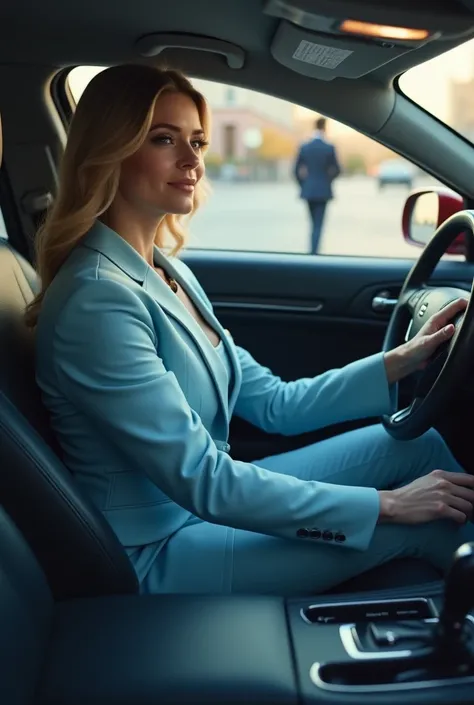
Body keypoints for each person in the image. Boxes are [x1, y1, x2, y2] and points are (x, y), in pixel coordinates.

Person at [27, 64, 474, 596]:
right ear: (110, 150)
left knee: (413, 445)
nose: (193, 159)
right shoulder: (97, 302)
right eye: (164, 139)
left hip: (203, 509)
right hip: (159, 550)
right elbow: (205, 480)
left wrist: (401, 361)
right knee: (428, 521)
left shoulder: (168, 270)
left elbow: (276, 404)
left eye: (197, 141)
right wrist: (393, 506)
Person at [294, 116, 341, 254]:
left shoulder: (305, 147)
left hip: (308, 190)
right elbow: (337, 169)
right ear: (325, 127)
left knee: (312, 223)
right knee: (318, 225)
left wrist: (303, 184)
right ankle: (314, 252)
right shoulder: (329, 147)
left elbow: (295, 170)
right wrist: (327, 180)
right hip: (323, 191)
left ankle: (312, 251)